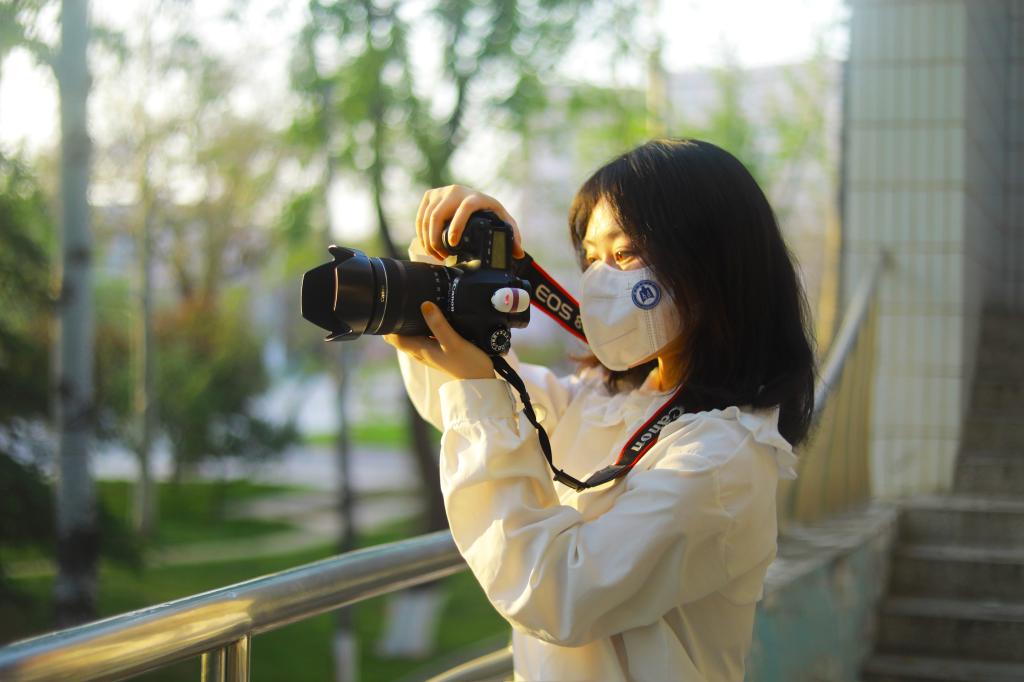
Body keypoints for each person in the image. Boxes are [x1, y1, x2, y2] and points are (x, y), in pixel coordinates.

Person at [384, 138, 816, 682]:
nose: (600, 278)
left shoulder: (724, 459)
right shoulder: (604, 400)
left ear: (712, 263)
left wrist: (476, 388)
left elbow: (556, 595)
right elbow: (473, 408)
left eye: (625, 253)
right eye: (590, 257)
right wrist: (444, 264)